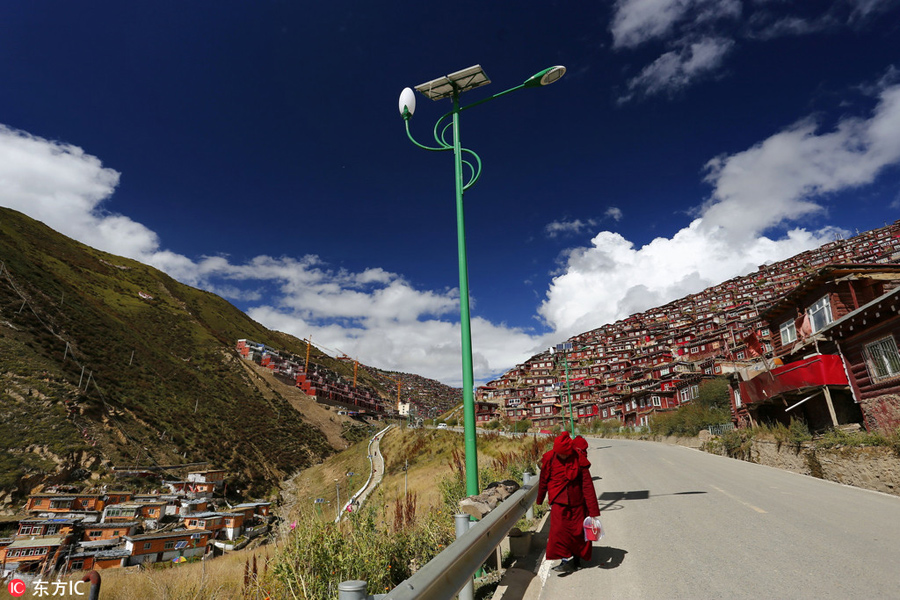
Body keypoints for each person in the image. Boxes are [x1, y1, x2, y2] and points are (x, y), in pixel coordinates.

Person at [536, 432, 600, 574]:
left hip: (578, 501)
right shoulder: (549, 458)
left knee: (578, 532)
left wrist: (593, 511)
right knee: (559, 532)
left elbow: (587, 486)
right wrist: (540, 499)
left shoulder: (579, 459)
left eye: (565, 455)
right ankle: (564, 561)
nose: (563, 457)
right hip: (558, 502)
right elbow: (543, 481)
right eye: (560, 454)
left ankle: (577, 560)